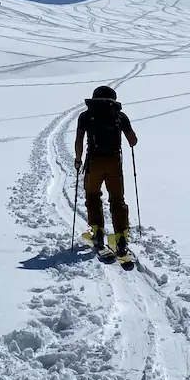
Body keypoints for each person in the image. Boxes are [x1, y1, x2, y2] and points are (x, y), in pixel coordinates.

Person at [74, 85, 138, 256]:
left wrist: (78, 160)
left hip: (94, 162)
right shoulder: (119, 115)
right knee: (118, 200)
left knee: (93, 196)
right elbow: (132, 140)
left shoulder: (86, 115)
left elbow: (79, 139)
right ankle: (121, 238)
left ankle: (98, 233)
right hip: (114, 163)